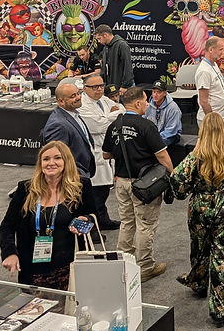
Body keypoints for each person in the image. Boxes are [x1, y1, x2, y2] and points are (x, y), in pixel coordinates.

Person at [171, 112, 224, 328]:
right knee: (223, 258)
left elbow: (177, 182)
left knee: (199, 249)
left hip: (199, 210)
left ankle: (198, 283)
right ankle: (218, 309)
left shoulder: (195, 156)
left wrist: (188, 191)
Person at [0, 141, 94, 289]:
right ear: (40, 164)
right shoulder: (26, 189)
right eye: (46, 159)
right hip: (33, 271)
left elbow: (93, 216)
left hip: (70, 269)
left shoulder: (81, 187)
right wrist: (9, 252)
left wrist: (85, 220)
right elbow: (7, 226)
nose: (51, 163)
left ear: (66, 161)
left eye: (57, 158)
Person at [102, 86, 174, 282]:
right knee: (146, 224)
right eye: (145, 100)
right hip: (144, 186)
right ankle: (146, 266)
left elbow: (106, 154)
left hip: (121, 182)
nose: (148, 104)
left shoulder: (114, 125)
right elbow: (162, 154)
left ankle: (123, 262)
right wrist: (172, 174)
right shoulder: (146, 126)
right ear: (138, 103)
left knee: (127, 222)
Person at [78, 74, 122, 231]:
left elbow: (121, 111)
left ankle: (103, 219)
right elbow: (98, 126)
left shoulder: (103, 100)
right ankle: (94, 226)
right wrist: (112, 116)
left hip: (106, 151)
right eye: (94, 87)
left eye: (101, 86)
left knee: (103, 191)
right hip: (94, 153)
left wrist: (107, 117)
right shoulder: (82, 104)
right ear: (85, 88)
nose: (99, 89)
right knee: (95, 194)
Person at [41, 81, 97, 183]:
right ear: (61, 101)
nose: (78, 97)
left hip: (82, 174)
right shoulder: (58, 125)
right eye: (73, 96)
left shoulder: (73, 114)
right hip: (71, 178)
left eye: (78, 93)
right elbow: (57, 158)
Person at [197, 36, 224, 124]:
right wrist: (212, 121)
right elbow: (203, 101)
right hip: (211, 119)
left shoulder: (214, 64)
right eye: (220, 49)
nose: (223, 53)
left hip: (220, 116)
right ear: (211, 49)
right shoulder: (204, 71)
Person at [94, 24, 134, 91]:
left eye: (99, 38)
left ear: (105, 35)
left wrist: (125, 86)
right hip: (110, 87)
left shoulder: (122, 45)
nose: (98, 41)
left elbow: (127, 67)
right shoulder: (105, 48)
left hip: (121, 87)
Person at [146, 81, 182, 147]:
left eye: (158, 92)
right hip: (154, 135)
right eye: (154, 92)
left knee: (157, 145)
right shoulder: (148, 106)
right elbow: (144, 123)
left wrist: (155, 138)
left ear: (165, 93)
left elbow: (171, 130)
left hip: (171, 135)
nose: (155, 95)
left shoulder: (173, 108)